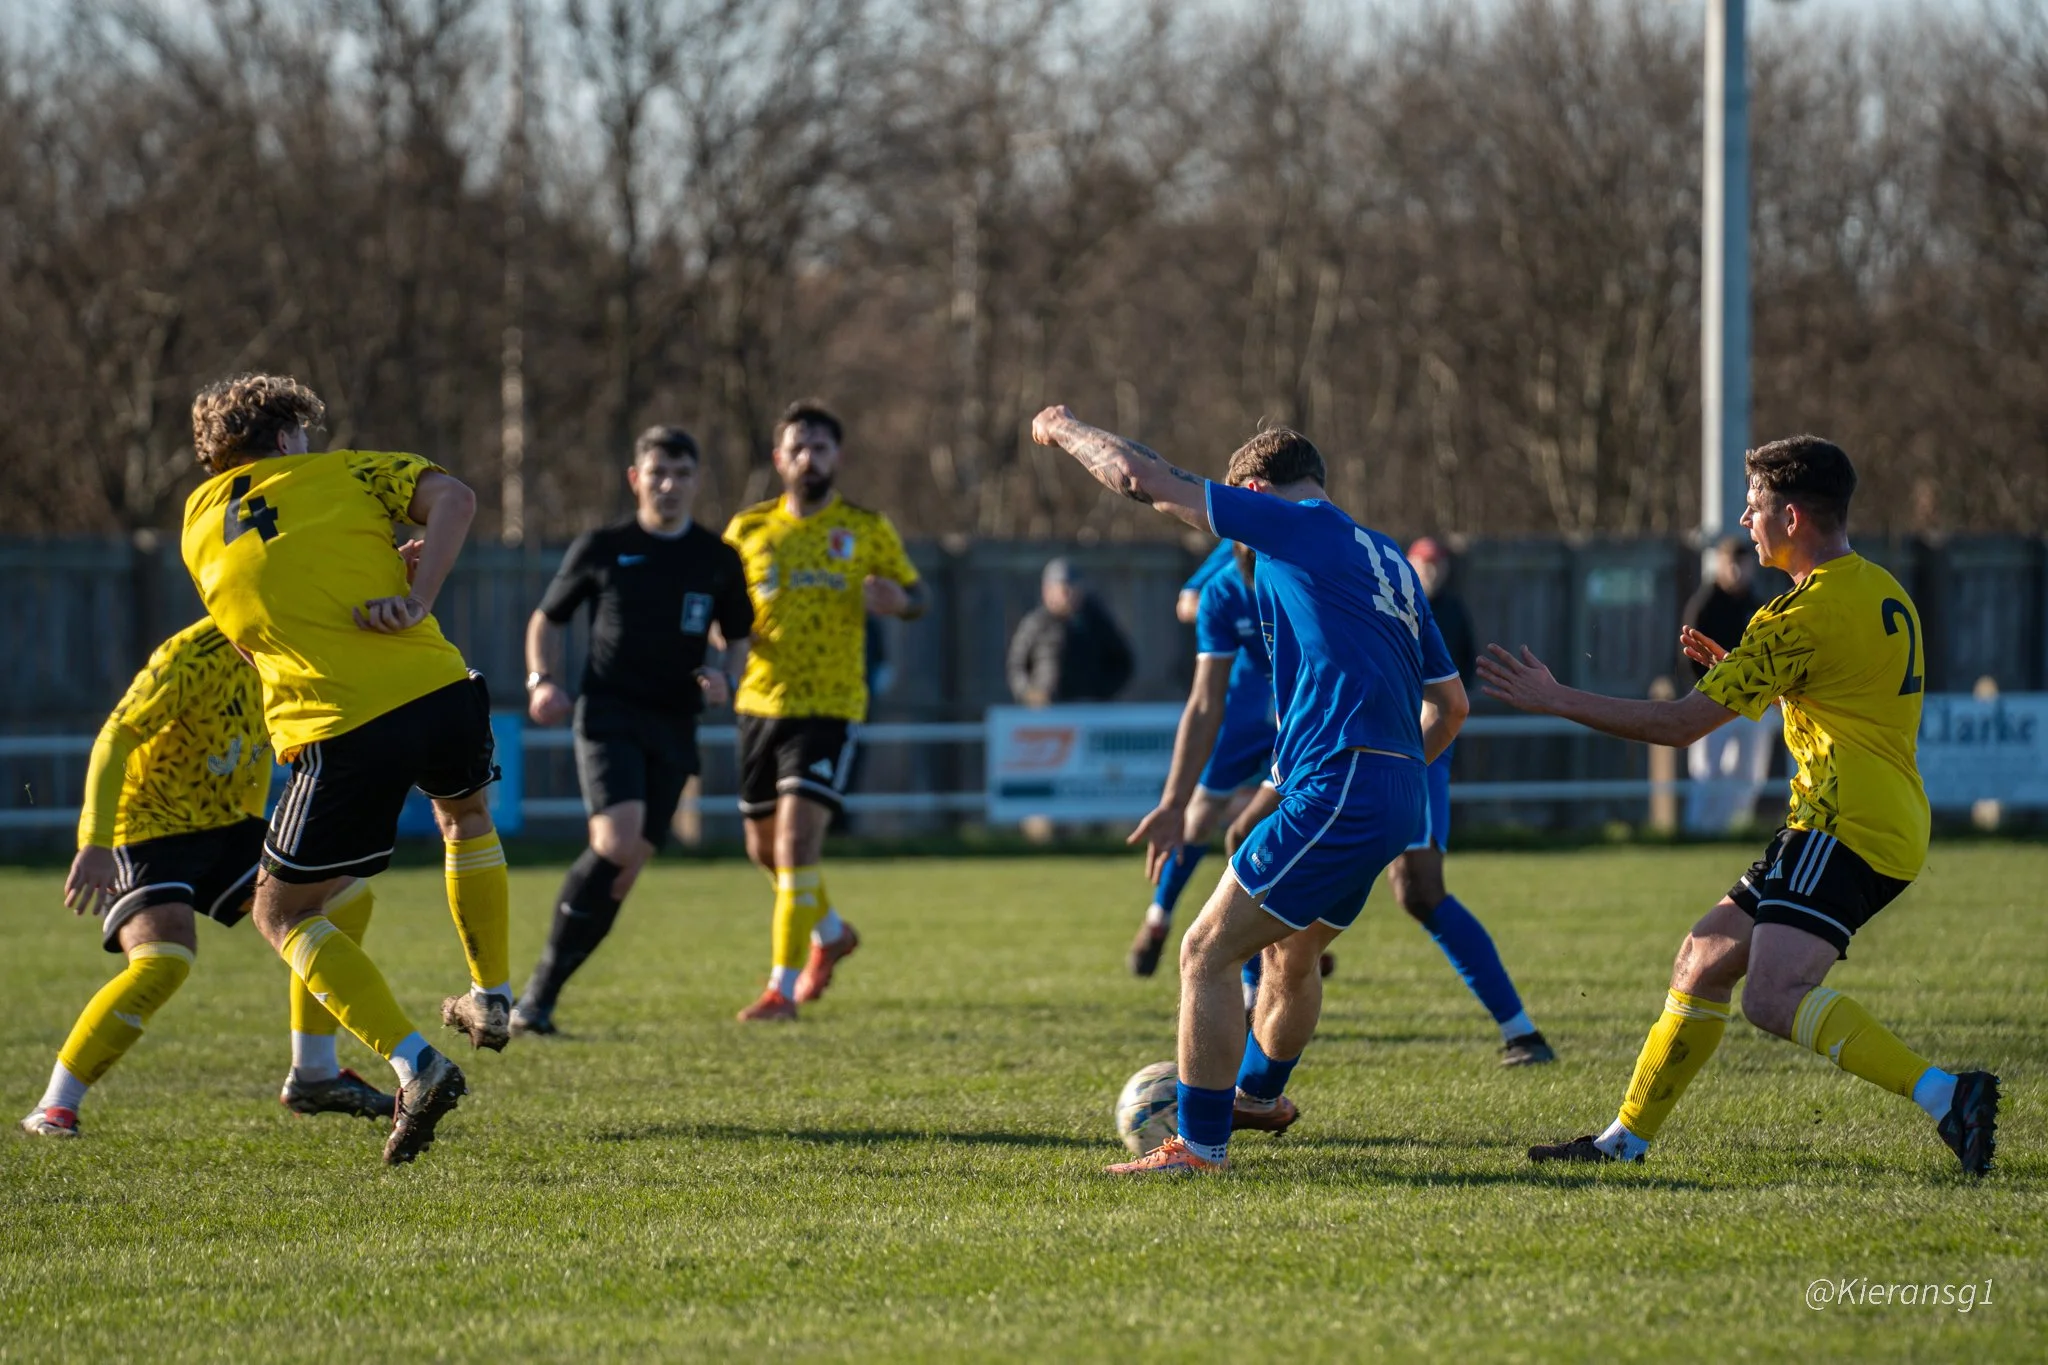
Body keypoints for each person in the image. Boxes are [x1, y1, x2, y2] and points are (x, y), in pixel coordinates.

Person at [1479, 436, 1997, 1175]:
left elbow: (1677, 726)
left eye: (1754, 507)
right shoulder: (1881, 588)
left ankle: (1948, 1094)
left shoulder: (1792, 619)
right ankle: (1622, 1141)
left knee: (1775, 995)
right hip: (1868, 817)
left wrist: (1556, 697)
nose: (1746, 522)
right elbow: (1844, 690)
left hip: (1843, 827)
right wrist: (1748, 674)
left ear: (1790, 516)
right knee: (1703, 957)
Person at [1033, 408, 1468, 1176]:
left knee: (1203, 950)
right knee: (1292, 955)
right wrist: (1379, 770)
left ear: (1258, 492)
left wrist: (1062, 427)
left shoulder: (1288, 526)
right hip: (1397, 786)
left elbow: (1142, 479)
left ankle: (1199, 1148)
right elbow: (1451, 705)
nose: (1239, 537)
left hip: (1343, 783)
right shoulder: (1388, 558)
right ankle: (1261, 1095)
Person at [180, 373, 511, 1165]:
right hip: (437, 686)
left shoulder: (197, 524)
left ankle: (416, 1064)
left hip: (338, 723)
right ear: (291, 434)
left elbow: (253, 626)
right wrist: (415, 592)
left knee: (283, 913)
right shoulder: (353, 470)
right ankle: (493, 996)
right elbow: (457, 499)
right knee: (464, 815)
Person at [22, 620, 393, 1138]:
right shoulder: (190, 657)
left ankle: (314, 1073)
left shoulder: (293, 644)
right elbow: (114, 738)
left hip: (223, 826)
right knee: (164, 961)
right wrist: (96, 842)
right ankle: (54, 1107)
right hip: (148, 826)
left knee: (346, 895)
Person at [511, 426, 753, 1036]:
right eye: (657, 473)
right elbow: (548, 618)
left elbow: (739, 636)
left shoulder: (716, 558)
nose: (668, 485)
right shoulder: (604, 546)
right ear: (635, 478)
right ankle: (532, 995)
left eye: (681, 473)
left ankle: (541, 999)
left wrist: (726, 677)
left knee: (626, 869)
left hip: (675, 723)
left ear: (698, 480)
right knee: (616, 843)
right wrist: (542, 680)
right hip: (608, 713)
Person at [723, 401, 927, 1021]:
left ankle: (780, 990)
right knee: (764, 851)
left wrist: (899, 601)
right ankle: (832, 932)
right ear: (779, 458)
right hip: (760, 702)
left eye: (822, 448)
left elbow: (917, 596)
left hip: (831, 706)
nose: (811, 458)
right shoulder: (746, 530)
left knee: (794, 844)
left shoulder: (865, 527)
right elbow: (719, 614)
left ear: (838, 457)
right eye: (799, 448)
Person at [1391, 537, 1553, 1066]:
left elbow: (1449, 692)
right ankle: (1255, 1026)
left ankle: (1522, 1033)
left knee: (1420, 889)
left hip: (1410, 745)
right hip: (1351, 741)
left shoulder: (1435, 607)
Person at [1127, 542, 1277, 979]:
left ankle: (1288, 942)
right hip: (1245, 708)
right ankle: (1160, 913)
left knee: (1273, 825)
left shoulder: (1309, 544)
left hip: (1300, 712)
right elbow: (1188, 602)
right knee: (1199, 818)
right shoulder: (1236, 554)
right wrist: (1227, 611)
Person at [1681, 535, 1776, 831]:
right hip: (1713, 699)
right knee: (1707, 771)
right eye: (1731, 563)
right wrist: (1708, 694)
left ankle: (1734, 827)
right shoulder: (1706, 604)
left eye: (1742, 564)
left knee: (1749, 771)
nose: (1736, 571)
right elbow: (1691, 654)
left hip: (1752, 704)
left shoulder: (1757, 605)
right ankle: (1699, 829)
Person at [1006, 558, 1135, 705]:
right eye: (1062, 590)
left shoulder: (1096, 622)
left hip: (1088, 711)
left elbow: (1123, 662)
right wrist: (1029, 693)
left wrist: (1100, 693)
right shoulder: (1035, 624)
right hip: (1047, 713)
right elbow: (1016, 665)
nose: (1067, 596)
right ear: (1047, 591)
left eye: (1071, 589)